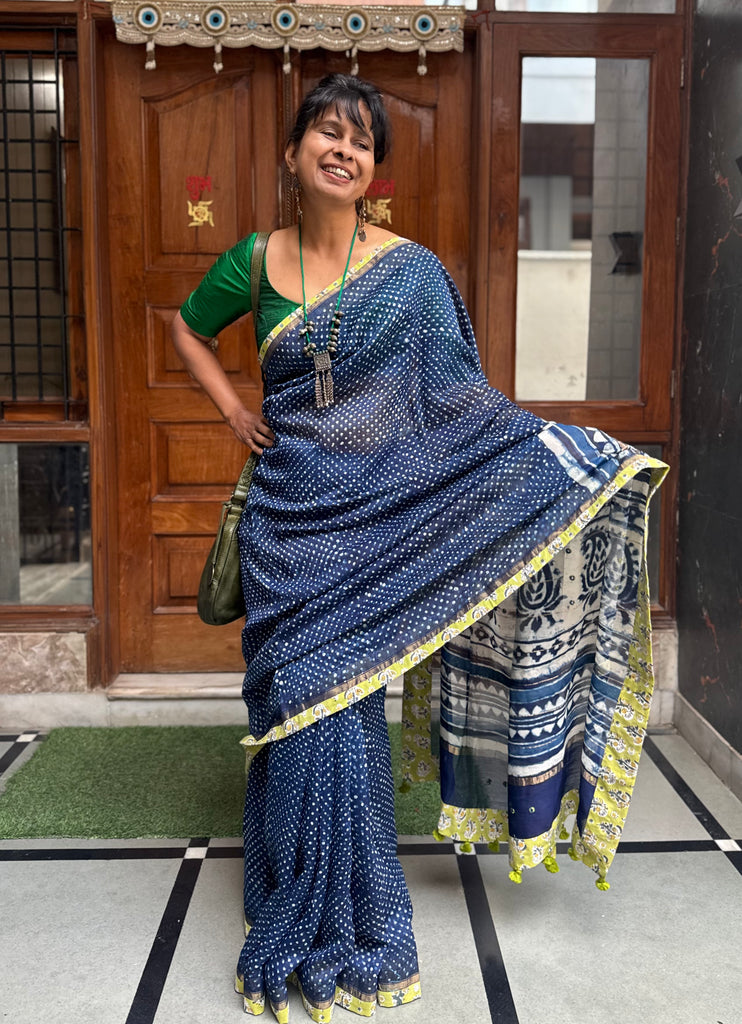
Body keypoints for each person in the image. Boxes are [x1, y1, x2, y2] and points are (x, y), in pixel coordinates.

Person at [171, 74, 666, 1023]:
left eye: (361, 141)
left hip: (372, 532)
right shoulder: (253, 262)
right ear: (293, 154)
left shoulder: (412, 274)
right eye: (328, 132)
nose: (343, 150)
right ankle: (286, 880)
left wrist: (566, 455)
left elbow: (459, 405)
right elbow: (187, 330)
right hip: (287, 526)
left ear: (373, 172)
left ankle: (349, 912)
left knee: (344, 716)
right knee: (291, 705)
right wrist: (233, 408)